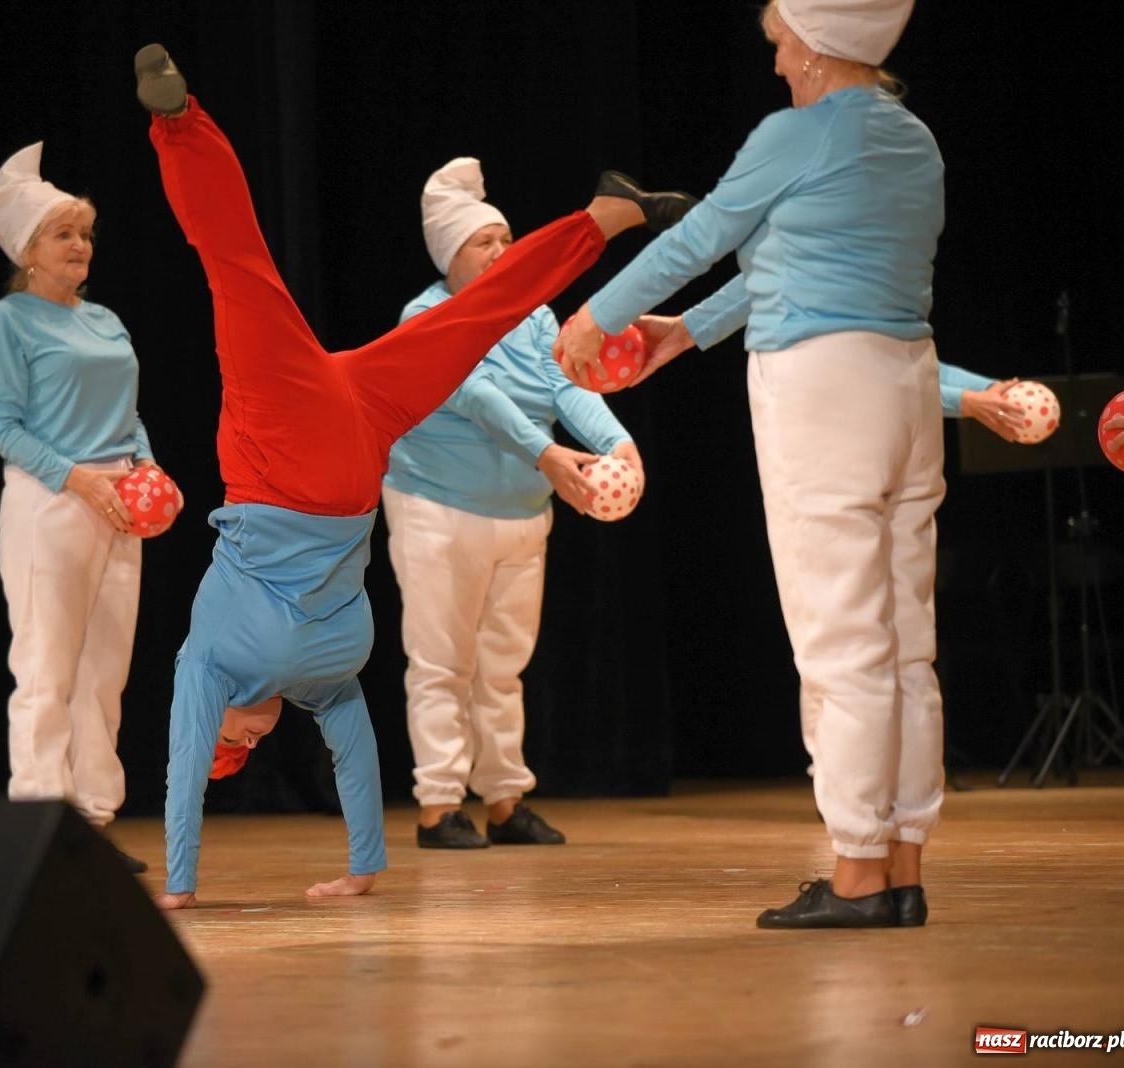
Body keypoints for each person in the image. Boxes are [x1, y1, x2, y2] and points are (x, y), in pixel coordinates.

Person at [133, 44, 693, 909]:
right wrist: (363, 868)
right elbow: (353, 752)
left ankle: (180, 123)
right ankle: (604, 216)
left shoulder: (207, 668)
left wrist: (178, 883)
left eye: (233, 742)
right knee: (468, 318)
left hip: (288, 450)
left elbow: (182, 765)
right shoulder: (318, 674)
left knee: (248, 270)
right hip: (350, 446)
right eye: (238, 746)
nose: (243, 736)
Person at [555, 0, 940, 928]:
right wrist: (685, 333)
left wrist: (593, 317)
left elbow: (701, 237)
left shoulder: (796, 133)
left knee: (839, 636)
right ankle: (900, 864)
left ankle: (854, 873)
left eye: (779, 46)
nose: (775, 66)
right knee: (905, 640)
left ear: (813, 43)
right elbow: (783, 259)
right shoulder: (913, 140)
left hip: (822, 387)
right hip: (906, 383)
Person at [383, 157, 641, 850]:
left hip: (523, 515)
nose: (502, 252)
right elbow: (475, 394)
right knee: (443, 662)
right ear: (449, 255)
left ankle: (503, 799)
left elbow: (564, 385)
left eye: (505, 238)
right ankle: (439, 805)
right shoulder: (426, 315)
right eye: (483, 243)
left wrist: (619, 443)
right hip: (440, 509)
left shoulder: (533, 315)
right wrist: (548, 455)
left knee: (502, 666)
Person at [0, 142, 167, 873]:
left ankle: (91, 817)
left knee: (104, 669)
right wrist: (78, 479)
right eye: (63, 234)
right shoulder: (8, 323)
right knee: (47, 666)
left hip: (120, 502)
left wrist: (143, 464)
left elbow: (126, 410)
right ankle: (39, 823)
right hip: (52, 500)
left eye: (84, 232)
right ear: (28, 249)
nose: (80, 245)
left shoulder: (106, 319)